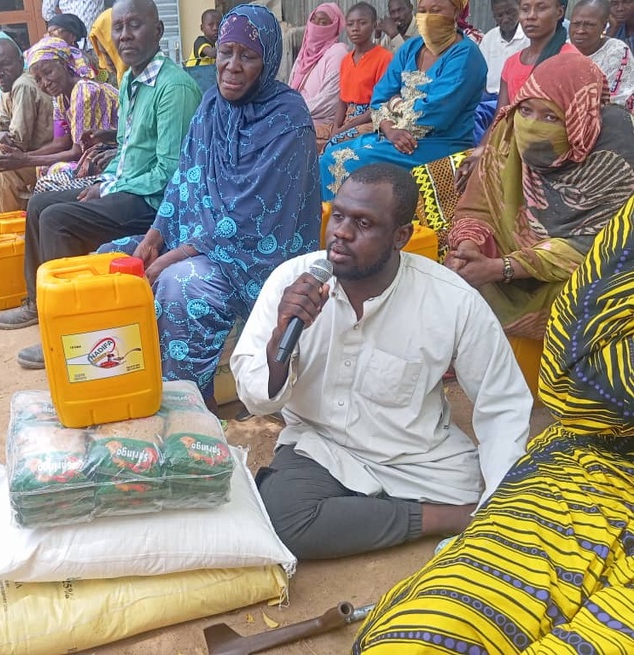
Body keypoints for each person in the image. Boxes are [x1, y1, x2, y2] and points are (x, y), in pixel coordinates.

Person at [353, 194, 634, 655]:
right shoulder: (301, 283)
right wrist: (487, 258)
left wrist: (508, 266)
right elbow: (573, 376)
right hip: (603, 450)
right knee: (424, 632)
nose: (340, 233)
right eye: (524, 113)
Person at [231, 163, 531, 560]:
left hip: (417, 457)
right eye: (337, 215)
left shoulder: (451, 300)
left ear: (400, 236)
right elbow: (257, 400)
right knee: (285, 517)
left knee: (515, 500)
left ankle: (454, 510)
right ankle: (450, 518)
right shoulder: (293, 281)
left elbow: (502, 405)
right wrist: (281, 336)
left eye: (364, 223)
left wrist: (497, 505)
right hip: (322, 448)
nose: (341, 232)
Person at [90, 4, 321, 409]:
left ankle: (194, 407)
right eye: (225, 52)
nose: (231, 66)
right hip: (202, 237)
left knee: (180, 284)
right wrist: (155, 236)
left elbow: (257, 214)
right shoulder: (212, 106)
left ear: (267, 61)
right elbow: (184, 180)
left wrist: (177, 253)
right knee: (110, 258)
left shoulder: (288, 119)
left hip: (259, 254)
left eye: (247, 56)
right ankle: (130, 377)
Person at [0, 0, 201, 347]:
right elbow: (125, 151)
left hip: (153, 202)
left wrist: (107, 191)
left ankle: (74, 333)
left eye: (134, 25)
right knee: (40, 204)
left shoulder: (173, 88)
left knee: (57, 219)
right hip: (125, 187)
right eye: (117, 28)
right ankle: (40, 305)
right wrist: (105, 182)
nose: (124, 36)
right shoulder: (130, 81)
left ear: (159, 31)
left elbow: (170, 173)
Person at [447, 54, 634, 340]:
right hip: (508, 252)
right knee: (455, 266)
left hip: (575, 268)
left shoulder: (614, 147)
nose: (532, 126)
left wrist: (501, 268)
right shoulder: (508, 129)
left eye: (550, 116)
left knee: (596, 295)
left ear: (580, 119)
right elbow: (480, 206)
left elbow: (598, 247)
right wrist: (469, 248)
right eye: (526, 111)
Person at [319, 0, 487, 202]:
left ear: (456, 12)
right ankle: (332, 227)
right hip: (393, 136)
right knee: (329, 156)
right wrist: (389, 129)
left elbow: (433, 114)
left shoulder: (466, 55)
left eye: (436, 10)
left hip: (439, 142)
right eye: (422, 11)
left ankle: (356, 227)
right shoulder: (411, 47)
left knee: (346, 162)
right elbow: (379, 97)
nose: (427, 17)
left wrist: (394, 103)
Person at [454, 0, 578, 194]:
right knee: (448, 172)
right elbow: (501, 117)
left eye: (541, 8)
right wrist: (479, 152)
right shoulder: (512, 63)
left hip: (548, 156)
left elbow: (575, 126)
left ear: (559, 12)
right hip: (510, 147)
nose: (531, 16)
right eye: (525, 9)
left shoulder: (571, 61)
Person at [0, 37, 119, 195]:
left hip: (112, 155)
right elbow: (60, 143)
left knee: (51, 176)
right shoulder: (59, 97)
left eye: (48, 72)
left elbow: (78, 151)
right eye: (38, 79)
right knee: (41, 168)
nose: (45, 82)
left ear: (64, 65)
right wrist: (21, 156)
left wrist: (24, 160)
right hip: (90, 154)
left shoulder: (84, 92)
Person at [0, 36, 54, 227]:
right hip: (29, 154)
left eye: (4, 65)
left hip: (44, 155)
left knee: (1, 164)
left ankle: (4, 231)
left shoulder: (23, 85)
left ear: (20, 62)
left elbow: (16, 143)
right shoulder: (9, 87)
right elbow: (1, 123)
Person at [328, 3, 393, 146]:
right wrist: (335, 127)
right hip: (347, 119)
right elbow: (342, 101)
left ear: (374, 25)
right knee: (307, 135)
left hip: (371, 119)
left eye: (362, 23)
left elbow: (380, 104)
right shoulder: (346, 60)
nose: (355, 29)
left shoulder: (384, 58)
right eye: (350, 24)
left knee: (334, 145)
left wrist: (343, 129)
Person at [288, 3, 349, 151]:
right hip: (294, 117)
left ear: (334, 27)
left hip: (318, 123)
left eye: (324, 23)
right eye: (314, 20)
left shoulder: (337, 53)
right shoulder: (304, 54)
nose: (317, 26)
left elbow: (329, 102)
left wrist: (291, 109)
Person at [476, 0, 528, 139]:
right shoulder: (489, 38)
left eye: (510, 12)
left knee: (476, 115)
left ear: (520, 8)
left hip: (515, 99)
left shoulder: (529, 37)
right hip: (488, 97)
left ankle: (484, 151)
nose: (505, 18)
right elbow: (479, 73)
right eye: (499, 15)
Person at [571, 0, 634, 110]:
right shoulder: (563, 49)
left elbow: (614, 101)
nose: (580, 30)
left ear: (604, 26)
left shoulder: (617, 51)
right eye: (576, 24)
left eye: (589, 24)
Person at [89, 8, 129, 85]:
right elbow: (100, 85)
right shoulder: (103, 66)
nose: (107, 61)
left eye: (109, 53)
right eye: (103, 54)